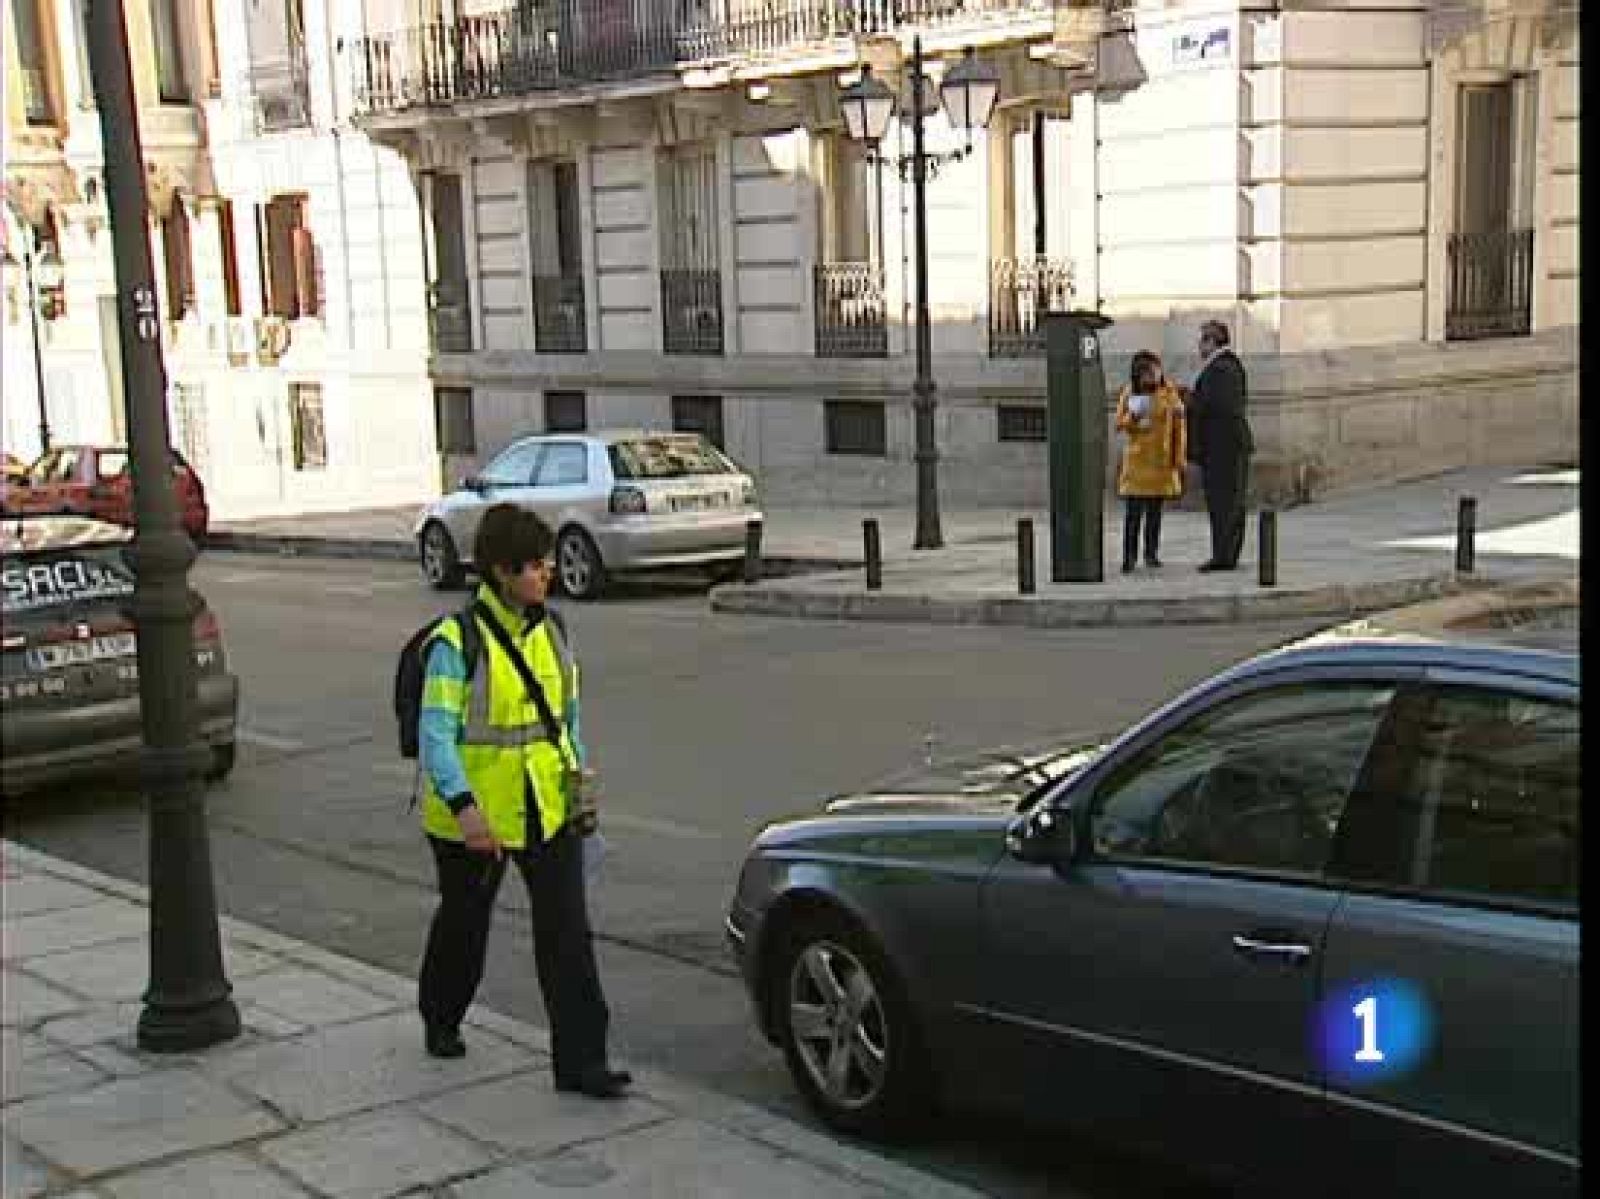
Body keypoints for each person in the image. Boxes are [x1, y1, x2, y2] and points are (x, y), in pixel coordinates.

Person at [415, 502, 630, 1099]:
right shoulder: (456, 643)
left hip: (547, 808)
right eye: (534, 567)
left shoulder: (553, 631)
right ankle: (440, 1014)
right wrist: (466, 809)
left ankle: (583, 1062)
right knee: (465, 925)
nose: (547, 576)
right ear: (500, 573)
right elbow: (436, 738)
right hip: (476, 819)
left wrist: (578, 787)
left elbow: (566, 721)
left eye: (547, 565)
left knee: (567, 934)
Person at [1185, 320, 1254, 571]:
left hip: (1224, 448)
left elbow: (1218, 407)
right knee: (1227, 502)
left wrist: (1191, 402)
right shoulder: (1225, 366)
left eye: (1203, 340)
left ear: (1213, 342)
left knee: (1224, 503)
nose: (1199, 345)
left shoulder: (1221, 369)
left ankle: (1224, 555)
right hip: (1226, 446)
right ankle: (1226, 553)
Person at [1114, 350, 1186, 572]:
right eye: (1147, 373)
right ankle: (1129, 557)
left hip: (1160, 462)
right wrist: (1132, 418)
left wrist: (1179, 457)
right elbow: (1119, 424)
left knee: (1155, 513)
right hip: (1138, 462)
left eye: (1155, 370)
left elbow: (1179, 428)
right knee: (1133, 514)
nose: (1152, 376)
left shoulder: (1169, 393)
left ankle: (1151, 553)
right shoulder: (1130, 393)